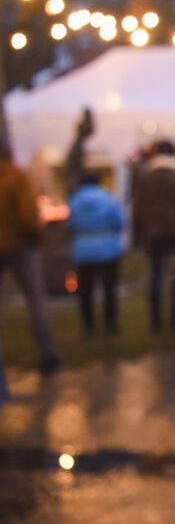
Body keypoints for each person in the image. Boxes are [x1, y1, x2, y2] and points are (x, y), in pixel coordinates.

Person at [0, 140, 59, 374]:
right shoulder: (17, 177)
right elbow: (28, 214)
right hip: (20, 246)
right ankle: (47, 356)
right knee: (36, 300)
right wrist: (37, 237)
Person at [133, 140, 175, 332]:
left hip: (153, 232)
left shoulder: (145, 177)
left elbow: (137, 208)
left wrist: (138, 235)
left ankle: (155, 320)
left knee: (155, 276)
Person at [67, 171, 125, 334]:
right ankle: (110, 323)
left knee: (85, 290)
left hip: (83, 250)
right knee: (109, 288)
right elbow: (120, 221)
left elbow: (70, 224)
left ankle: (88, 325)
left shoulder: (74, 200)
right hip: (108, 249)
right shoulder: (109, 198)